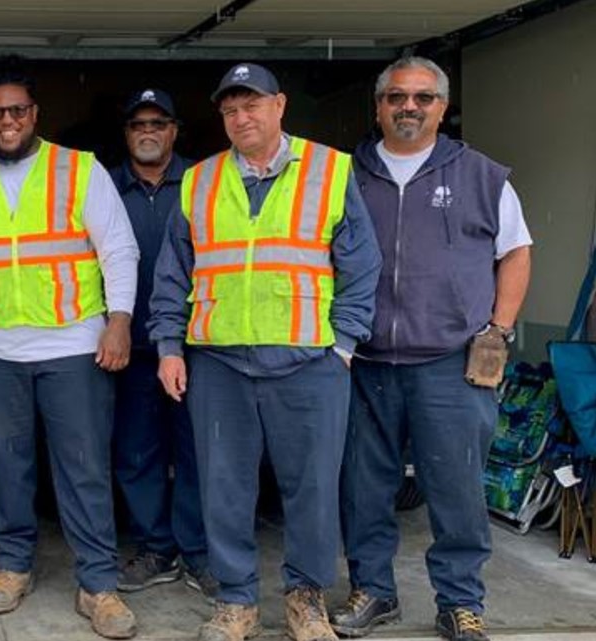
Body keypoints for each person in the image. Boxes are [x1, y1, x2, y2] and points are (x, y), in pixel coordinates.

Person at [148, 62, 381, 641]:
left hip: (310, 363)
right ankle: (236, 601)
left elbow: (362, 265)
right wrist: (168, 346)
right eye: (229, 109)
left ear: (279, 106)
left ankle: (305, 599)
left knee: (313, 488)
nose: (240, 117)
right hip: (220, 362)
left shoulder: (329, 170)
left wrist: (344, 345)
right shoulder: (200, 181)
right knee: (224, 488)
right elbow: (173, 273)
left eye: (251, 105)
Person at [332, 56, 532, 641]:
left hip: (450, 363)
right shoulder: (346, 176)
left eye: (423, 97)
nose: (409, 107)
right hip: (364, 362)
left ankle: (461, 601)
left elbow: (516, 251)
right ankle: (373, 591)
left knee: (456, 488)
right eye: (396, 97)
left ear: (442, 107)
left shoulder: (481, 175)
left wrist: (498, 329)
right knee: (363, 488)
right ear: (378, 106)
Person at [0, 54, 141, 639]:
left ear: (34, 113)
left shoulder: (80, 170)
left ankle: (99, 584)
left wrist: (119, 321)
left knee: (82, 469)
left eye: (18, 110)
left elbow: (119, 250)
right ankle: (12, 566)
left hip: (73, 346)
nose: (7, 121)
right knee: (7, 466)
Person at [107, 88, 214, 601]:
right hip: (129, 347)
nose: (147, 131)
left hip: (197, 344)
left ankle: (197, 551)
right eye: (137, 124)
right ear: (126, 133)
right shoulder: (104, 186)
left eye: (158, 122)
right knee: (136, 452)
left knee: (198, 452)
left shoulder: (204, 181)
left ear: (174, 130)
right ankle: (156, 548)